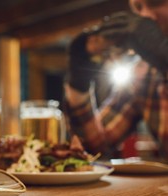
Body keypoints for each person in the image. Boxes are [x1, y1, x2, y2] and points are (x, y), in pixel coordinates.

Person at [64, 0, 168, 158]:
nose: (145, 15)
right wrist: (79, 80)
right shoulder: (144, 73)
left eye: (155, 2)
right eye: (138, 7)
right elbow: (94, 146)